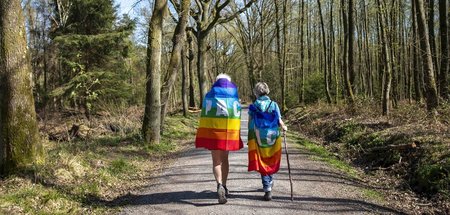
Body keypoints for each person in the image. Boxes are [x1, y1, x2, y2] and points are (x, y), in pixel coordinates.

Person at [195, 73, 243, 204]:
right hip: (227, 135)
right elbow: (237, 115)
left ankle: (219, 185)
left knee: (216, 161)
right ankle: (225, 186)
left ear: (216, 82)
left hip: (214, 134)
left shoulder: (209, 95)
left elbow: (205, 115)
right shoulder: (234, 96)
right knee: (225, 160)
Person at [247, 82, 287, 201]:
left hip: (259, 136)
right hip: (273, 136)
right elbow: (279, 120)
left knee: (262, 160)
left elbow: (250, 122)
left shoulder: (253, 106)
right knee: (271, 157)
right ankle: (269, 181)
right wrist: (284, 127)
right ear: (267, 91)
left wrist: (250, 139)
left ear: (256, 93)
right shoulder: (273, 104)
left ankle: (267, 188)